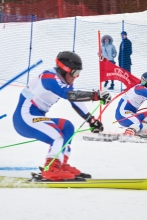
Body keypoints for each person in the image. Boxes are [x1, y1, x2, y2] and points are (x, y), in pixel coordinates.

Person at [13, 51, 112, 181]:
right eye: (75, 73)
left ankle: (60, 164)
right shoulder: (48, 78)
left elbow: (74, 99)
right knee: (57, 137)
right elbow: (68, 95)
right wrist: (95, 95)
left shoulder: (64, 80)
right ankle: (51, 168)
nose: (76, 76)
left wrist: (91, 120)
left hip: (34, 117)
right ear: (65, 70)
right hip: (25, 118)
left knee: (67, 127)